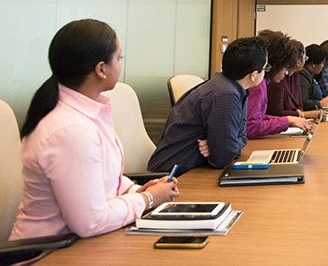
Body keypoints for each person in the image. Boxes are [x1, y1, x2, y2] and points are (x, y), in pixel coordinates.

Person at [11, 19, 179, 242]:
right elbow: (91, 222)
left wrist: (136, 190)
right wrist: (147, 199)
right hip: (51, 252)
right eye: (118, 58)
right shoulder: (70, 129)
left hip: (86, 243)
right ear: (101, 69)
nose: (120, 64)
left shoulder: (88, 114)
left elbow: (105, 179)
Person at [148, 36, 268, 175]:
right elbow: (223, 159)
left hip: (192, 169)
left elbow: (242, 138)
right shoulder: (225, 95)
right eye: (266, 67)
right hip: (174, 177)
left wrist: (219, 146)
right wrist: (222, 148)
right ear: (253, 75)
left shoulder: (233, 88)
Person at [246, 30, 314, 139]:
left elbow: (259, 117)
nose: (286, 73)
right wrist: (288, 120)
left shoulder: (264, 82)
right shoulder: (257, 85)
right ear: (275, 64)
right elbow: (250, 127)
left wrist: (290, 120)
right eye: (285, 68)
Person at [266, 39, 324, 120]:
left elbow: (299, 104)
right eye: (305, 58)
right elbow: (277, 112)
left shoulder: (295, 74)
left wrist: (300, 114)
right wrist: (304, 115)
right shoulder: (278, 78)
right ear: (298, 62)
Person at [299, 44, 328, 111]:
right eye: (322, 63)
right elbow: (303, 102)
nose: (323, 66)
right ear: (313, 64)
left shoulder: (309, 74)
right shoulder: (303, 75)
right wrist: (320, 103)